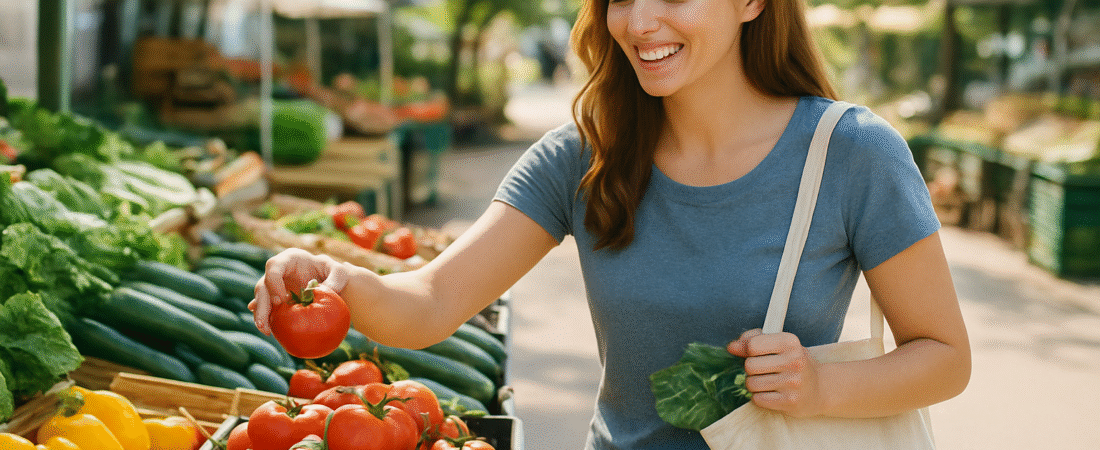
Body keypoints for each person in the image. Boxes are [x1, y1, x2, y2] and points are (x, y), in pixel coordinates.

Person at [250, 0, 972, 448]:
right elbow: (434, 302)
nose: (639, 21)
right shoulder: (583, 155)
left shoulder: (850, 153)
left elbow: (944, 354)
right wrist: (339, 281)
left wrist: (819, 386)